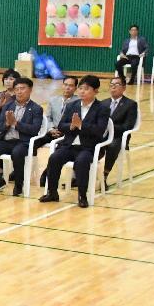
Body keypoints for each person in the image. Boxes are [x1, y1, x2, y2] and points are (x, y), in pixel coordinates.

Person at [40, 75, 110, 208]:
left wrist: (81, 125)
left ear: (96, 91)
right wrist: (71, 126)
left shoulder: (102, 108)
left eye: (87, 89)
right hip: (70, 145)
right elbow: (61, 125)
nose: (82, 91)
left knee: (82, 161)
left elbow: (99, 131)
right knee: (54, 158)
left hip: (89, 147)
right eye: (81, 88)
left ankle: (82, 196)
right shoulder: (72, 105)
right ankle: (52, 192)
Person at [0, 77, 44, 196]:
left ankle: (18, 184)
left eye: (22, 88)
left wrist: (16, 123)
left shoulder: (36, 109)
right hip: (7, 141)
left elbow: (34, 130)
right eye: (17, 89)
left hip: (23, 142)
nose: (19, 92)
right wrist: (6, 124)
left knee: (17, 153)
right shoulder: (8, 106)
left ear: (30, 90)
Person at [101, 78, 138, 188]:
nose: (113, 87)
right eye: (111, 84)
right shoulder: (103, 103)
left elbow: (128, 126)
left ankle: (104, 175)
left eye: (117, 85)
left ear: (124, 88)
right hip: (102, 134)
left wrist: (110, 128)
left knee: (113, 145)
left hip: (119, 136)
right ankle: (79, 176)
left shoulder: (130, 104)